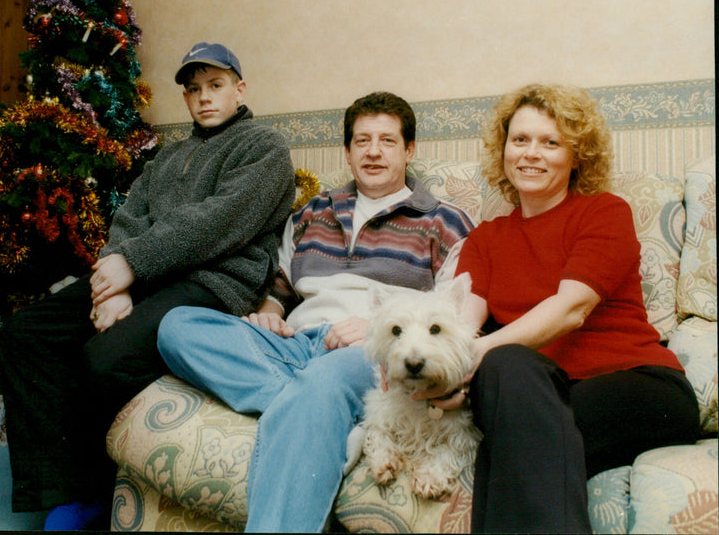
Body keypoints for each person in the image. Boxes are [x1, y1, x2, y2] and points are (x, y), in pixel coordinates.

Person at [0, 42, 296, 531]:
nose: (204, 98)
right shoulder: (169, 156)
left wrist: (131, 265)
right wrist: (112, 281)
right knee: (24, 335)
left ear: (239, 89)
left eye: (216, 86)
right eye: (193, 90)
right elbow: (128, 217)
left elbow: (217, 222)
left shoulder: (264, 147)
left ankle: (93, 490)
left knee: (105, 358)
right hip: (147, 274)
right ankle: (61, 490)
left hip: (213, 284)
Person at [157, 91, 474, 532]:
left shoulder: (445, 221)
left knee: (319, 385)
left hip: (368, 352)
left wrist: (380, 329)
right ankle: (323, 410)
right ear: (347, 152)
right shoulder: (313, 212)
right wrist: (269, 309)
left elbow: (450, 317)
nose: (374, 151)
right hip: (297, 344)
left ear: (409, 150)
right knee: (178, 327)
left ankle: (316, 405)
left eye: (387, 140)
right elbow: (281, 283)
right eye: (362, 141)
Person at [417, 83, 701, 533]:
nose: (532, 154)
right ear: (504, 149)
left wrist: (475, 355)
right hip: (540, 394)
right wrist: (450, 369)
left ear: (577, 156)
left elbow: (571, 308)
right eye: (521, 140)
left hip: (637, 386)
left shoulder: (604, 212)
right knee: (508, 369)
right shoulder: (486, 239)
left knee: (515, 428)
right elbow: (462, 327)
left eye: (551, 143)